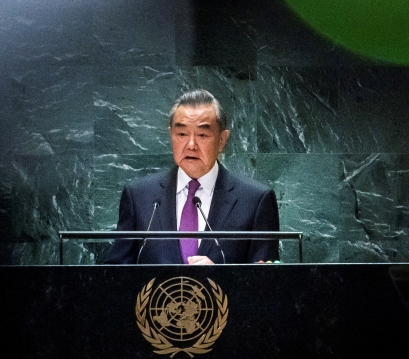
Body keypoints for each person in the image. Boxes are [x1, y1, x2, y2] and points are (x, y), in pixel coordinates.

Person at [104, 89, 280, 264]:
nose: (191, 145)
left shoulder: (255, 200)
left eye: (202, 135)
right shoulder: (139, 196)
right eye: (181, 134)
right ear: (171, 135)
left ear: (222, 140)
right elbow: (116, 272)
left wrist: (223, 276)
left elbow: (267, 279)